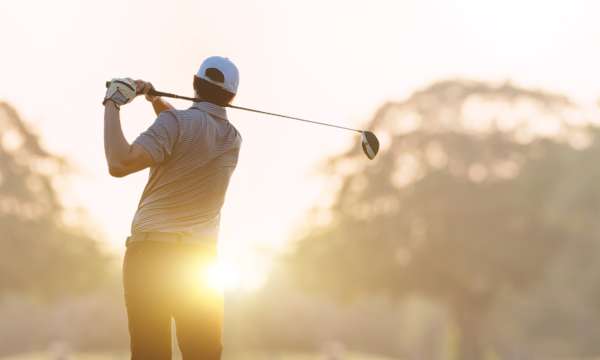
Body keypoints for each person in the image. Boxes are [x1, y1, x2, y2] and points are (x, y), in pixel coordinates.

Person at [102, 56, 242, 360]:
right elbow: (188, 131)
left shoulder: (175, 123)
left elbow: (119, 162)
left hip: (151, 258)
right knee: (204, 355)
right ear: (232, 96)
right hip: (199, 265)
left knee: (151, 354)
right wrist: (155, 98)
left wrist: (112, 103)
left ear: (194, 83)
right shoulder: (232, 139)